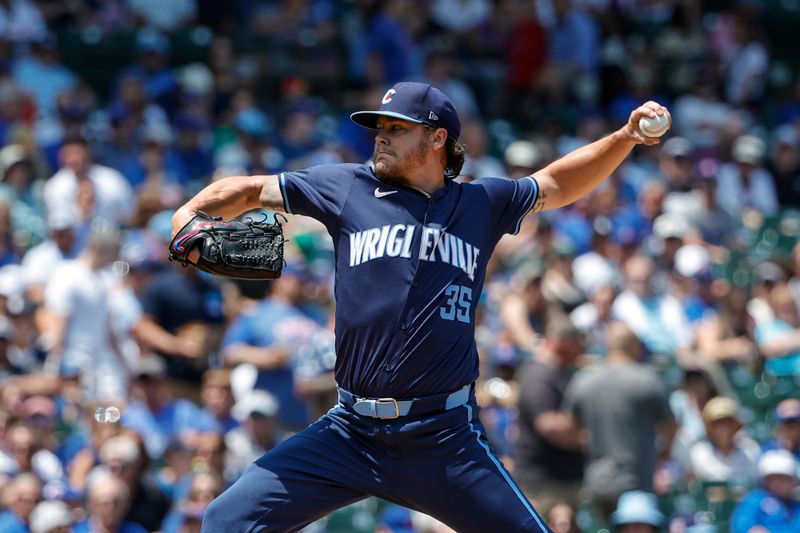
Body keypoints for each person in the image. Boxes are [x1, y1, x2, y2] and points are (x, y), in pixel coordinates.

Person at [171, 81, 670, 532]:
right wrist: (189, 214)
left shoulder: (481, 203)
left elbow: (558, 183)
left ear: (437, 139)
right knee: (226, 520)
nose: (380, 137)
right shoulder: (347, 187)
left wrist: (623, 137)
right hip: (350, 431)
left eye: (396, 128)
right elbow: (253, 189)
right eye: (378, 128)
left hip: (443, 437)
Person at [563, 322, 676, 515]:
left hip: (598, 482)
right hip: (638, 482)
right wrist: (662, 452)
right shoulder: (648, 379)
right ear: (632, 345)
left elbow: (569, 427)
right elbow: (670, 426)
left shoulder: (584, 380)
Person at [730, 450, 800, 533]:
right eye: (774, 478)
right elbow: (741, 525)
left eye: (783, 478)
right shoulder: (754, 500)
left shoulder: (795, 506)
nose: (778, 482)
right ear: (764, 480)